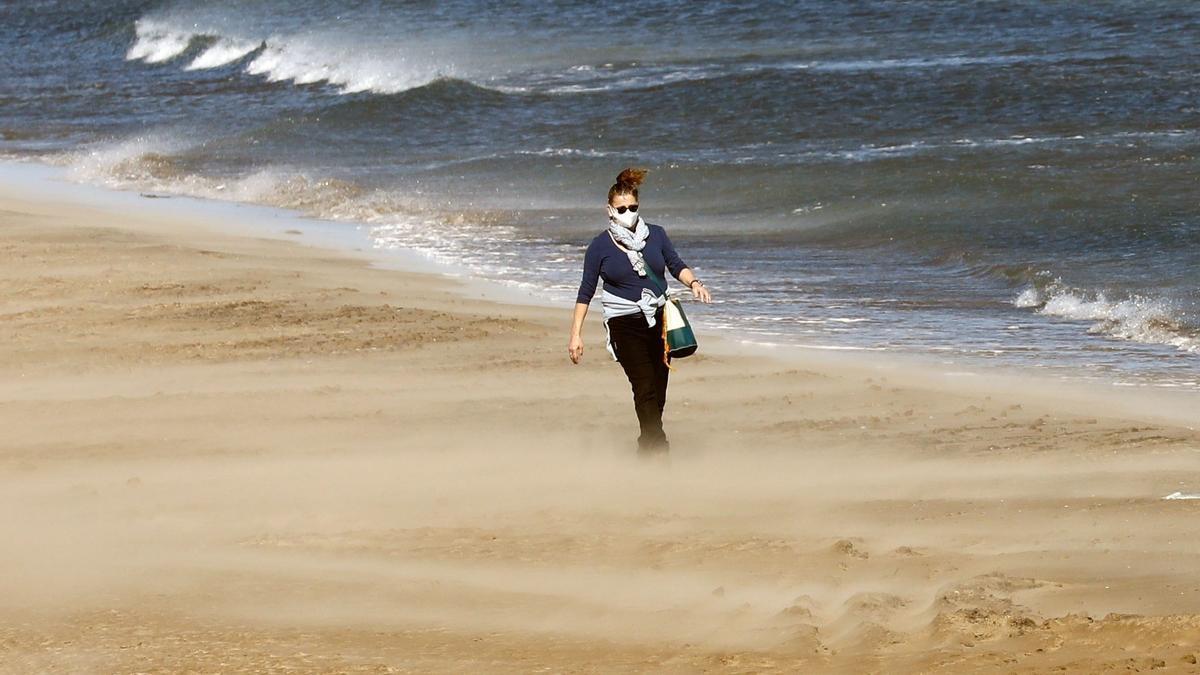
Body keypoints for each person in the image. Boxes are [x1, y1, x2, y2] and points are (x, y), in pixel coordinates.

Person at [568, 168, 712, 456]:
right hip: (624, 324)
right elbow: (586, 291)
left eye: (633, 207)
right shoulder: (599, 247)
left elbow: (675, 264)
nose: (628, 212)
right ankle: (659, 452)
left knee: (658, 391)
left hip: (659, 322)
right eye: (622, 209)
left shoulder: (656, 235)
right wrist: (576, 335)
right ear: (609, 210)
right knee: (643, 386)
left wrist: (694, 282)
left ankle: (646, 445)